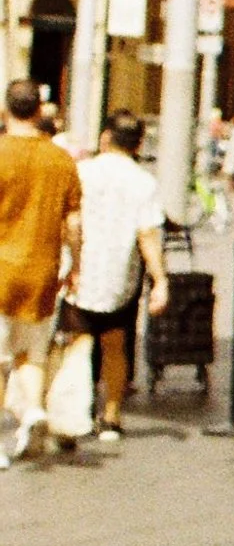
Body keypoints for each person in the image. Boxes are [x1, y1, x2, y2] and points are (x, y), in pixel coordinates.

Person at [63, 110, 169, 450]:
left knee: (78, 345)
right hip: (120, 274)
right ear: (138, 144)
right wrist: (160, 279)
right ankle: (111, 416)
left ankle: (76, 413)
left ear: (105, 137)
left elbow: (70, 222)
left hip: (81, 271)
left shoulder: (82, 172)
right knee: (115, 345)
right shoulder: (143, 182)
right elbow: (148, 234)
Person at [0, 77, 82, 466]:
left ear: (6, 110)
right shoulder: (60, 159)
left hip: (1, 269)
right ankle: (33, 408)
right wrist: (76, 265)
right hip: (42, 271)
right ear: (38, 111)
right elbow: (74, 223)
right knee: (30, 351)